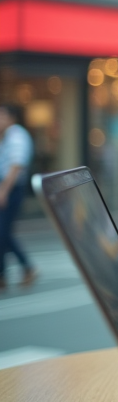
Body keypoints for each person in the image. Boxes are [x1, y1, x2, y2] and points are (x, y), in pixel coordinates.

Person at [0, 104, 37, 290]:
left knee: (2, 232)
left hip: (12, 188)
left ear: (11, 118)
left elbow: (16, 166)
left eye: (1, 115)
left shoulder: (17, 136)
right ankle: (23, 268)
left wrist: (3, 191)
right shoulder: (5, 137)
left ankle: (8, 273)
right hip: (6, 187)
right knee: (4, 232)